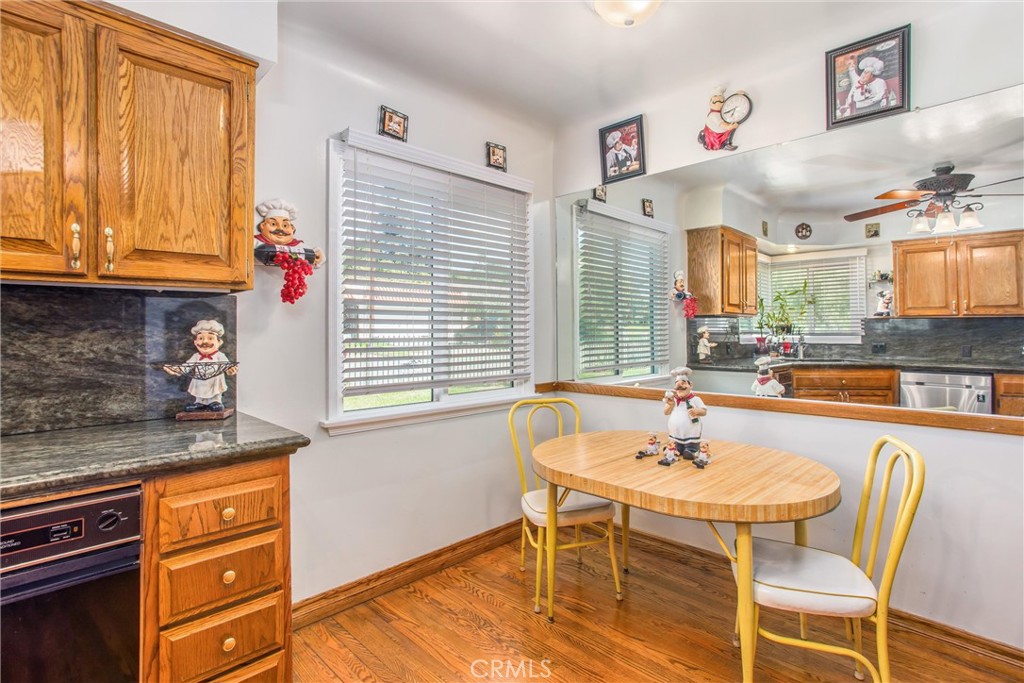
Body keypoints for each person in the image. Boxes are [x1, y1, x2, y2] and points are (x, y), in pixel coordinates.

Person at [163, 320, 238, 412]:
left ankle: (215, 401)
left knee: (215, 391)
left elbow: (227, 366)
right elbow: (187, 366)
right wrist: (177, 370)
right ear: (195, 342)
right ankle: (199, 403)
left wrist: (230, 369)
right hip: (199, 381)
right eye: (201, 338)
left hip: (214, 380)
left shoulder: (220, 356)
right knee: (199, 390)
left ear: (219, 342)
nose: (205, 342)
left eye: (210, 338)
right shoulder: (196, 356)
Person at [254, 198, 324, 268]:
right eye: (273, 224)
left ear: (292, 228)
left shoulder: (297, 246)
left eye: (285, 225)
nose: (280, 228)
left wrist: (317, 255)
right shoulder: (255, 243)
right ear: (262, 226)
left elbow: (316, 257)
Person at [664, 366, 707, 458]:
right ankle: (675, 448)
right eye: (678, 385)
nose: (680, 387)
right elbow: (666, 412)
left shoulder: (695, 399)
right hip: (676, 433)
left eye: (683, 383)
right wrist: (670, 405)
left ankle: (691, 450)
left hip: (691, 432)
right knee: (676, 445)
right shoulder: (673, 400)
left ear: (690, 385)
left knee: (691, 445)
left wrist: (697, 411)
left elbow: (704, 411)